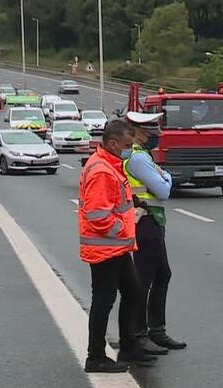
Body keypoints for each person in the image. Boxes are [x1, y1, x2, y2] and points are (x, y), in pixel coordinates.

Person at [79, 119, 156, 373]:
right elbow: (97, 215)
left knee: (133, 294)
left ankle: (129, 347)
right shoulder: (101, 170)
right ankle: (96, 356)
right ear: (113, 143)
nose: (129, 148)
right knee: (104, 300)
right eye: (126, 144)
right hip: (106, 248)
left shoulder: (111, 164)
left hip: (117, 247)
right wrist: (123, 229)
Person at [123, 111, 186, 351]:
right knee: (144, 280)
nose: (156, 136)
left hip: (154, 221)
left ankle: (156, 330)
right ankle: (139, 334)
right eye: (152, 132)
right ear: (139, 133)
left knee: (162, 275)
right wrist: (167, 177)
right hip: (145, 222)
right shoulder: (139, 158)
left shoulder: (144, 155)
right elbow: (163, 192)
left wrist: (164, 176)